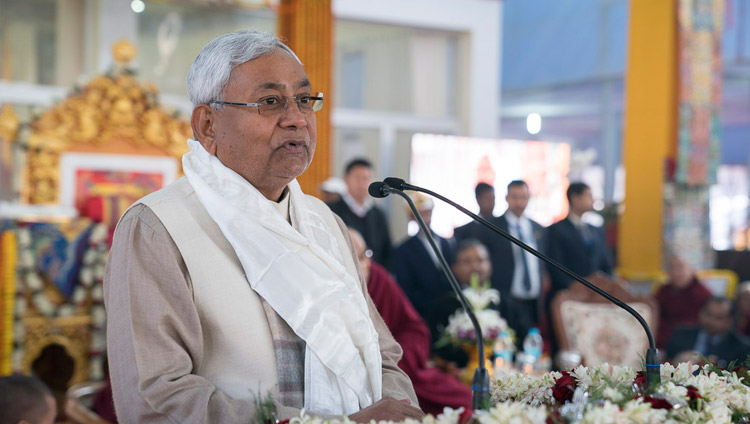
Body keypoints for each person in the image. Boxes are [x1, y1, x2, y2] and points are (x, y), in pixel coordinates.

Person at [104, 30, 421, 423]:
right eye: (270, 102)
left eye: (304, 100)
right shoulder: (158, 228)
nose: (296, 119)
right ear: (207, 126)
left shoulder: (326, 224)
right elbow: (157, 400)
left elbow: (381, 354)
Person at [348, 228, 472, 416]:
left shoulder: (378, 277)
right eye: (355, 258)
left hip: (398, 366)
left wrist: (396, 360)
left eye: (365, 255)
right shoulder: (332, 288)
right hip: (358, 376)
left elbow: (415, 328)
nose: (364, 264)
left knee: (465, 399)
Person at [391, 192, 456, 340]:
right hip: (423, 313)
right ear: (412, 218)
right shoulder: (403, 250)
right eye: (419, 214)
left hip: (449, 313)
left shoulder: (447, 243)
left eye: (427, 213)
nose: (425, 218)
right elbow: (405, 288)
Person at [492, 180, 545, 341]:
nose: (519, 202)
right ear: (507, 198)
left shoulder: (538, 229)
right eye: (514, 197)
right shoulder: (492, 227)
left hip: (532, 302)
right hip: (506, 300)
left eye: (523, 197)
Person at [545, 182, 613, 294]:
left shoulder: (595, 230)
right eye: (588, 195)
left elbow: (606, 263)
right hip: (568, 295)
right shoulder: (556, 230)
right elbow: (555, 266)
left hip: (597, 295)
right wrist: (574, 287)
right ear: (575, 199)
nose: (593, 199)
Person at [329, 158, 393, 266]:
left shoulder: (378, 213)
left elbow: (387, 250)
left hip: (375, 276)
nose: (362, 183)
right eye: (358, 178)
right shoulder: (332, 210)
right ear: (346, 179)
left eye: (366, 178)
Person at [666, 297, 750, 368]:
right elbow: (664, 363)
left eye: (718, 318)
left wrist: (717, 366)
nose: (710, 321)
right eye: (708, 314)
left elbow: (740, 377)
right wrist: (676, 360)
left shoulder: (742, 347)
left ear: (730, 321)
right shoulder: (681, 334)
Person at [655, 255, 712, 348]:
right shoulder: (664, 290)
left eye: (680, 267)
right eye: (671, 268)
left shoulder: (702, 294)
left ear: (692, 269)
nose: (675, 272)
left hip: (687, 344)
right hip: (659, 339)